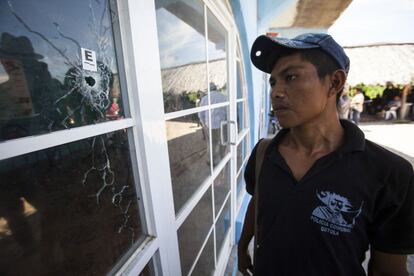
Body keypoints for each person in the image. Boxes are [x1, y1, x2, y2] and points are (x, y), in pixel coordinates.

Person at [238, 33, 414, 276]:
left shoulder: (389, 172)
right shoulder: (263, 153)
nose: (276, 92)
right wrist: (242, 245)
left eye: (290, 77)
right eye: (273, 82)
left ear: (334, 82)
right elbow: (258, 201)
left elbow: (387, 270)